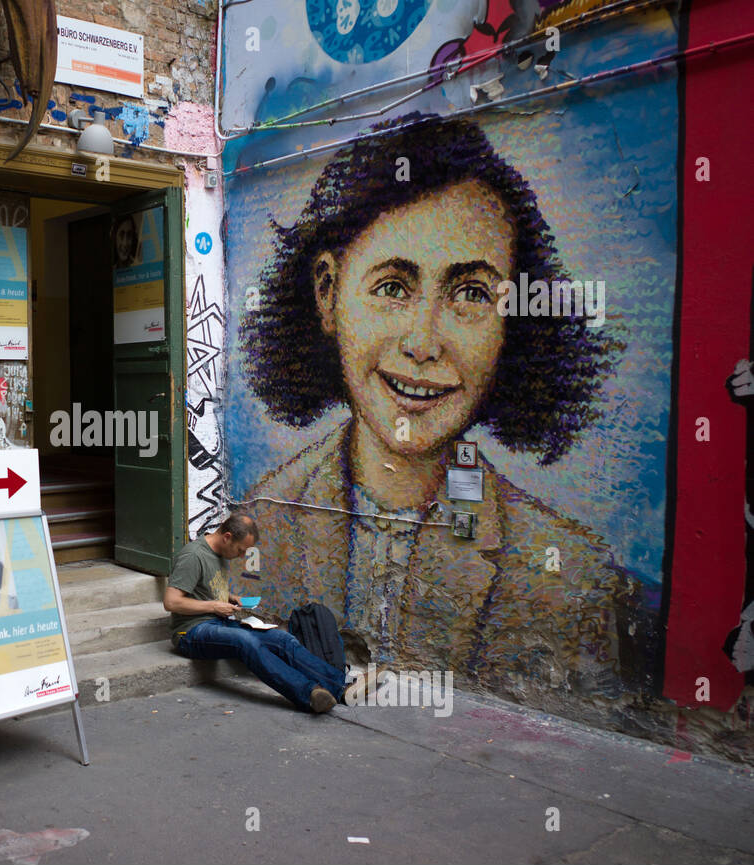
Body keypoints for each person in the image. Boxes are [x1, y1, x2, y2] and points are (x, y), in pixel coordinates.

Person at [238, 112, 652, 702]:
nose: (423, 342)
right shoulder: (262, 521)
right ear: (328, 294)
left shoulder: (571, 579)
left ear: (512, 324)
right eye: (392, 287)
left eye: (471, 294)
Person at [166, 513, 349, 713]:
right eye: (240, 550)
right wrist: (214, 606)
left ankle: (340, 687)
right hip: (190, 632)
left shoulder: (221, 553)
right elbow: (171, 602)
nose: (241, 556)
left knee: (282, 638)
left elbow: (203, 588)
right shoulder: (193, 556)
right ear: (227, 537)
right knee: (245, 641)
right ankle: (310, 694)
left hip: (219, 621)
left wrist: (230, 597)